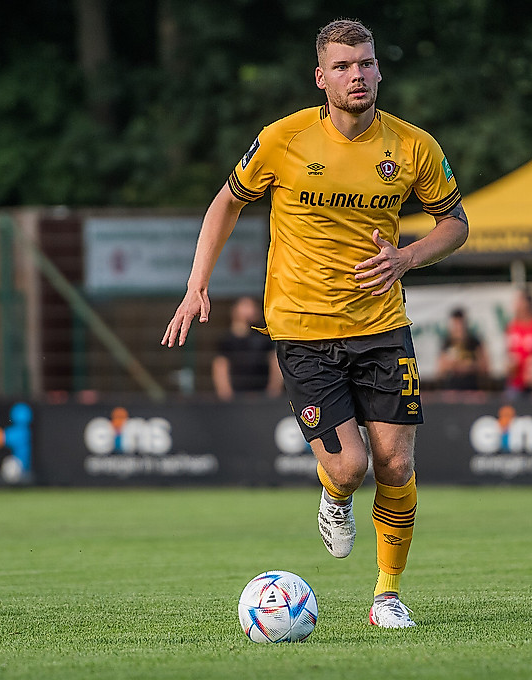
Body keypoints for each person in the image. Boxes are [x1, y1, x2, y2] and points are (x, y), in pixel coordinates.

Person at [161, 19, 468, 629]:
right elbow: (226, 202)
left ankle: (387, 596)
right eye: (344, 66)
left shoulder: (413, 146)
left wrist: (406, 257)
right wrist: (197, 285)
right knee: (350, 467)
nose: (357, 75)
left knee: (396, 465)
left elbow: (455, 223)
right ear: (321, 77)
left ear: (379, 69)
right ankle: (335, 495)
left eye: (366, 63)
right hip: (302, 330)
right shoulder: (283, 139)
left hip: (382, 325)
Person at [212, 296, 283, 401]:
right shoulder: (226, 340)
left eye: (252, 306)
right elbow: (220, 366)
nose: (251, 310)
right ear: (235, 311)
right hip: (236, 396)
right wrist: (225, 393)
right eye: (246, 306)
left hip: (261, 395)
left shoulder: (263, 338)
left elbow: (275, 362)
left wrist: (273, 390)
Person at [436, 308, 488, 391]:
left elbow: (485, 367)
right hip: (451, 389)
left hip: (471, 388)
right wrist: (453, 365)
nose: (459, 328)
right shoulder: (447, 343)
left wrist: (470, 367)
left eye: (460, 324)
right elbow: (440, 369)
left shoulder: (474, 342)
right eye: (456, 325)